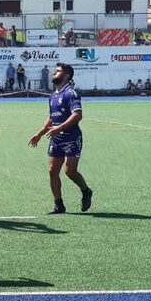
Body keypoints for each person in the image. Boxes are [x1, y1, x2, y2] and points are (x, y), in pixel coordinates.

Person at [28, 63, 93, 215]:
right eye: (55, 70)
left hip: (71, 137)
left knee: (70, 171)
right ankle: (59, 205)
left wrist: (60, 127)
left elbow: (77, 115)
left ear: (67, 75)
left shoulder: (71, 92)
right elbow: (51, 118)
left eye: (58, 71)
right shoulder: (52, 95)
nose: (54, 72)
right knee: (52, 171)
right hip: (56, 138)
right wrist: (39, 133)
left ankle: (86, 191)